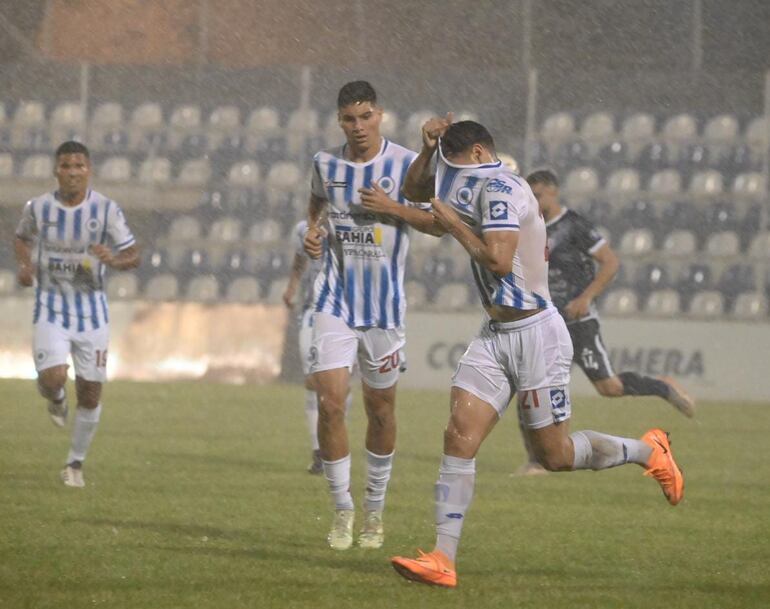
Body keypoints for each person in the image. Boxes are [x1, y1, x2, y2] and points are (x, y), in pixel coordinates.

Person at [388, 119, 684, 588]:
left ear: (482, 153)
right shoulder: (470, 178)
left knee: (555, 456)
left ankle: (648, 451)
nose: (452, 180)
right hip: (494, 334)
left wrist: (450, 225)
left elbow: (498, 260)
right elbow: (417, 189)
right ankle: (443, 558)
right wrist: (426, 154)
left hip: (537, 335)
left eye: (455, 167)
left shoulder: (502, 187)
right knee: (458, 436)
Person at [303, 81, 436, 550]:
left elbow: (437, 224)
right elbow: (317, 205)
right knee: (331, 402)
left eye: (365, 117)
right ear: (339, 121)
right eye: (348, 119)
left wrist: (393, 207)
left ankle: (374, 512)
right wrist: (313, 233)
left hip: (383, 309)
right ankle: (342, 510)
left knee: (381, 411)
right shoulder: (325, 163)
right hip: (333, 300)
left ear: (380, 114)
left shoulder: (405, 165)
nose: (357, 127)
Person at [511, 169, 696, 475]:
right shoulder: (531, 226)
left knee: (608, 387)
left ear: (553, 192)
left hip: (578, 320)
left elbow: (611, 262)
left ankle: (662, 386)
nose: (534, 199)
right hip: (544, 322)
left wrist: (586, 298)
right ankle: (537, 459)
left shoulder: (574, 225)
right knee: (530, 390)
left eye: (538, 194)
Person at [14, 141, 140, 488]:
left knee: (90, 393)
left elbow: (134, 255)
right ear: (56, 170)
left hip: (92, 313)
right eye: (66, 166)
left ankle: (74, 464)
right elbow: (21, 237)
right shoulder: (38, 208)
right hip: (51, 307)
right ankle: (55, 399)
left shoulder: (106, 210)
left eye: (79, 166)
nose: (72, 172)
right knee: (53, 377)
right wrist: (26, 265)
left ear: (89, 171)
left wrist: (113, 259)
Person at [282, 219, 353, 475]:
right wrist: (292, 285)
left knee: (340, 384)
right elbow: (300, 257)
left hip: (346, 311)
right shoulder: (303, 229)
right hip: (313, 309)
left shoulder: (353, 225)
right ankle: (319, 452)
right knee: (313, 381)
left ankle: (335, 445)